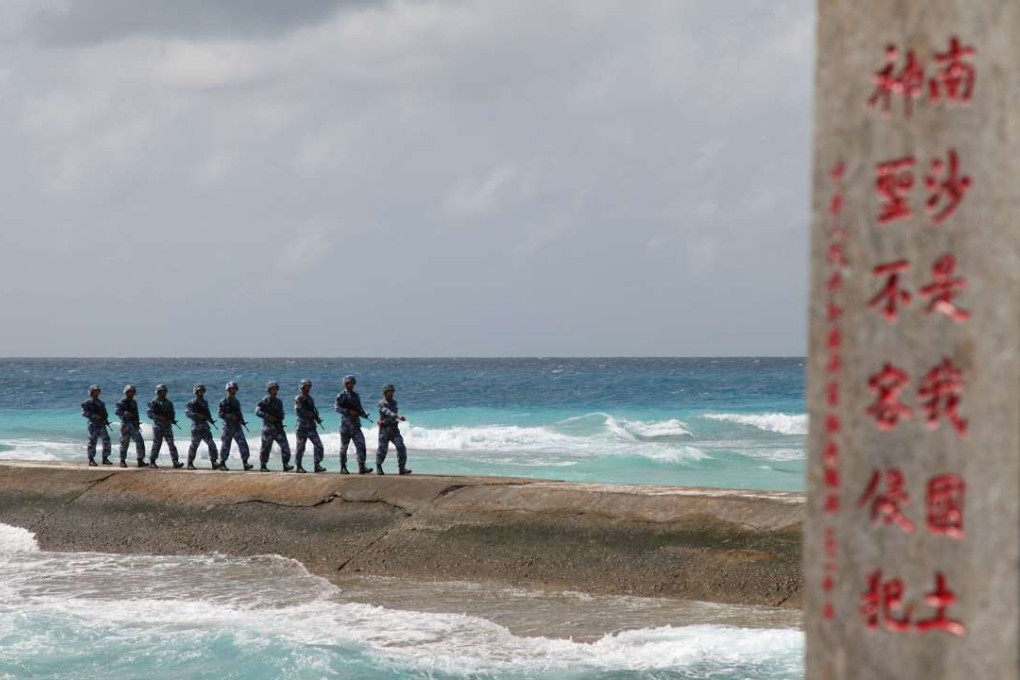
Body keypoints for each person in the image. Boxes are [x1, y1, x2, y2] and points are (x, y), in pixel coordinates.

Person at [334, 374, 372, 475]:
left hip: (355, 425)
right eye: (346, 383)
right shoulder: (341, 395)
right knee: (344, 447)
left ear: (353, 384)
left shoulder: (356, 395)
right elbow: (336, 408)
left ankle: (362, 466)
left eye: (349, 383)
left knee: (361, 445)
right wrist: (348, 412)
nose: (348, 385)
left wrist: (363, 415)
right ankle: (343, 467)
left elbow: (359, 408)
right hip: (346, 426)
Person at [255, 381, 293, 472]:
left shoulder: (279, 401)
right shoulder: (265, 400)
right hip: (268, 429)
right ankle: (263, 465)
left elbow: (281, 413)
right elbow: (257, 411)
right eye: (272, 389)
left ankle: (285, 464)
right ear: (269, 390)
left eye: (276, 389)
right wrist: (268, 417)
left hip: (278, 428)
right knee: (266, 448)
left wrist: (281, 416)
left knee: (285, 447)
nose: (274, 391)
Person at [376, 383, 410, 475]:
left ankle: (402, 468)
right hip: (384, 429)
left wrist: (397, 418)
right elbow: (387, 412)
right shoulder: (381, 403)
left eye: (392, 391)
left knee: (401, 447)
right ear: (385, 392)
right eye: (389, 391)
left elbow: (392, 413)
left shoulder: (394, 402)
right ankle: (379, 466)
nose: (392, 393)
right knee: (382, 449)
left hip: (394, 429)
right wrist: (398, 416)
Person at [218, 381, 253, 471]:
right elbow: (220, 414)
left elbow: (238, 413)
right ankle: (222, 463)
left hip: (237, 427)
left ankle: (245, 463)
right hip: (228, 427)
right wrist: (230, 417)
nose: (233, 390)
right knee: (226, 445)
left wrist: (242, 420)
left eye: (234, 389)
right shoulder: (224, 401)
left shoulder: (236, 402)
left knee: (243, 444)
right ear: (228, 390)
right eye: (231, 389)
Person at [147, 384, 184, 469]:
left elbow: (172, 414)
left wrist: (172, 419)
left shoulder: (169, 403)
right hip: (158, 426)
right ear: (158, 392)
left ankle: (175, 461)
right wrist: (159, 417)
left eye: (164, 391)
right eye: (161, 391)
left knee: (171, 444)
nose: (163, 393)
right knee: (157, 444)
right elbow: (149, 414)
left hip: (167, 426)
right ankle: (152, 461)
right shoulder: (154, 402)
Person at [293, 379, 325, 473]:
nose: (306, 389)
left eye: (308, 387)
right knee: (300, 447)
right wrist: (309, 414)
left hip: (311, 426)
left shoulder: (310, 399)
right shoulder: (298, 398)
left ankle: (317, 464)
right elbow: (298, 410)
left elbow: (313, 412)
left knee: (319, 446)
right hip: (302, 427)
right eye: (305, 387)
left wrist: (316, 418)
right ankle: (298, 466)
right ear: (301, 387)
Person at [186, 384, 219, 470]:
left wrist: (210, 419)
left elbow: (207, 414)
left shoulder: (205, 402)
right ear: (196, 392)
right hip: (196, 427)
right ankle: (190, 463)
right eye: (199, 391)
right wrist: (197, 415)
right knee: (194, 446)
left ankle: (214, 462)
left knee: (211, 444)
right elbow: (187, 413)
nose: (201, 392)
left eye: (202, 391)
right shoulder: (192, 402)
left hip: (205, 427)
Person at [115, 384, 146, 468]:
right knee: (124, 443)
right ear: (126, 392)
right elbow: (117, 411)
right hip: (126, 425)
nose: (132, 393)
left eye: (133, 392)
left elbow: (136, 413)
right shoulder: (122, 401)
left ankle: (140, 460)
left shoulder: (133, 402)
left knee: (140, 442)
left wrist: (137, 422)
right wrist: (125, 413)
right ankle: (122, 461)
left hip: (134, 425)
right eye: (130, 392)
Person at [80, 384, 112, 467]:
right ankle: (91, 459)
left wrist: (105, 419)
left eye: (98, 391)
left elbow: (104, 413)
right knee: (92, 442)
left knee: (106, 441)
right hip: (93, 424)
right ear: (91, 392)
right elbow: (83, 413)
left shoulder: (101, 402)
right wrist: (94, 415)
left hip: (102, 424)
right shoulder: (88, 402)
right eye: (94, 391)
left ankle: (105, 458)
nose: (96, 392)